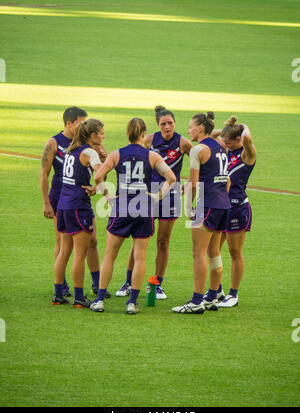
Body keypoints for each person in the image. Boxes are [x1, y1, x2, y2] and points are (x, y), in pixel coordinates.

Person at [89, 118, 176, 314]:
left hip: (122, 207)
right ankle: (132, 303)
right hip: (144, 208)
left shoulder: (116, 154)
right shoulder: (152, 156)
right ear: (143, 134)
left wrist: (109, 196)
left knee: (110, 254)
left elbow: (97, 177)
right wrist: (157, 196)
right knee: (140, 257)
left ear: (127, 133)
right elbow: (171, 177)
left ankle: (100, 300)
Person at [116, 106, 193, 300]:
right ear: (158, 125)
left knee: (162, 242)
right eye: (163, 124)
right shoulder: (149, 140)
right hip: (148, 194)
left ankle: (157, 284)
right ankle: (128, 282)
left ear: (175, 123)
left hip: (171, 195)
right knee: (139, 239)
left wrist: (190, 185)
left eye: (170, 123)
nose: (167, 127)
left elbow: (198, 163)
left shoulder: (183, 143)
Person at [40, 107, 108, 297]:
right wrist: (46, 203)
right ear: (69, 123)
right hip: (67, 200)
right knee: (69, 247)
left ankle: (90, 286)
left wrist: (96, 184)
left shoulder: (78, 147)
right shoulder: (56, 143)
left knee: (85, 243)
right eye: (80, 122)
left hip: (70, 200)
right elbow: (44, 175)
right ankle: (71, 291)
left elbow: (97, 173)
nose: (83, 125)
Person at [173, 112, 231, 314]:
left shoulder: (198, 150)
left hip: (206, 206)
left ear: (200, 128)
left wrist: (189, 209)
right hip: (223, 205)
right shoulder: (221, 147)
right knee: (214, 253)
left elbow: (193, 184)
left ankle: (197, 301)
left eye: (190, 127)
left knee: (198, 253)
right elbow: (228, 181)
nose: (188, 130)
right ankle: (212, 297)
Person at [213, 117, 256, 308]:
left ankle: (233, 294)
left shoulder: (247, 154)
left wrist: (242, 126)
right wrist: (227, 128)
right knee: (213, 250)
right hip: (222, 206)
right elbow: (213, 136)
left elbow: (247, 138)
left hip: (238, 208)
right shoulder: (228, 150)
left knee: (234, 251)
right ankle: (216, 289)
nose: (226, 145)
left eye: (229, 142)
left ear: (238, 139)